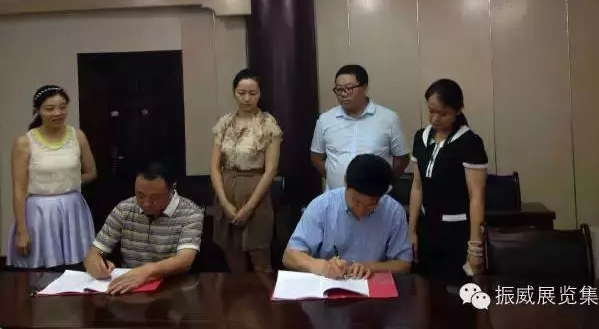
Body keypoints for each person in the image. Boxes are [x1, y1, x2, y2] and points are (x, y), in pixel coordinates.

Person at [8, 85, 97, 269]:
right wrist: (22, 231)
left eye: (62, 107)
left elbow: (91, 172)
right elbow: (19, 190)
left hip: (73, 209)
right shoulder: (24, 142)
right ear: (38, 110)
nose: (58, 113)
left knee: (77, 268)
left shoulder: (78, 136)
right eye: (50, 108)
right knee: (42, 270)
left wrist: (65, 182)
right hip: (39, 213)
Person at [408, 79, 488, 284]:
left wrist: (475, 247)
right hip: (427, 230)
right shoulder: (421, 137)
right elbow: (417, 187)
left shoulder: (469, 142)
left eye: (443, 114)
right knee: (425, 289)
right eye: (431, 111)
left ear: (457, 110)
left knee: (456, 292)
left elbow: (476, 197)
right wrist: (411, 231)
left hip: (456, 232)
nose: (435, 118)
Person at [283, 154, 412, 278]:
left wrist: (371, 267)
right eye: (356, 201)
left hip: (372, 286)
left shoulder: (393, 212)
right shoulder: (322, 206)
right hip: (329, 285)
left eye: (371, 205)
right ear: (345, 182)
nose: (361, 211)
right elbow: (289, 256)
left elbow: (404, 264)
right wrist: (323, 267)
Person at [84, 162, 203, 294]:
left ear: (171, 189)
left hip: (172, 289)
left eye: (154, 197)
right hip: (128, 288)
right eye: (140, 195)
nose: (146, 203)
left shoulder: (190, 213)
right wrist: (95, 263)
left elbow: (184, 260)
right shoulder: (124, 209)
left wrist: (146, 272)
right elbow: (94, 252)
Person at [210, 69, 282, 273]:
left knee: (261, 261)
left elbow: (271, 170)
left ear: (260, 93)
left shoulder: (268, 124)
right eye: (241, 93)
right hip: (226, 190)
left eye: (253, 93)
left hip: (255, 192)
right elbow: (214, 167)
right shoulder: (224, 123)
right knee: (233, 261)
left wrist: (249, 208)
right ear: (234, 92)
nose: (247, 98)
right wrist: (224, 203)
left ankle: (265, 295)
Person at [311, 64, 409, 190]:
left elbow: (401, 159)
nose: (344, 94)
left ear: (364, 87)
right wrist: (333, 176)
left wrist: (385, 183)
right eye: (339, 89)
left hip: (376, 195)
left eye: (349, 88)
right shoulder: (325, 120)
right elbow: (316, 157)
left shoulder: (388, 118)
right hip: (337, 195)